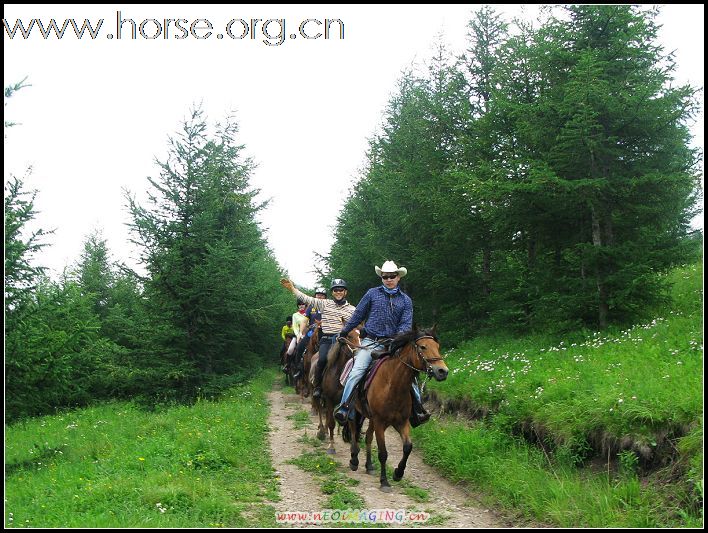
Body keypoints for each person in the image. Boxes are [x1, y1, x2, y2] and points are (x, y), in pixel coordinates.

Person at [335, 260, 430, 427]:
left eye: (392, 276)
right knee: (357, 371)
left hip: (394, 344)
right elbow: (358, 315)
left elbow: (406, 324)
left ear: (398, 277)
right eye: (385, 276)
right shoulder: (372, 294)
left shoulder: (406, 300)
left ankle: (418, 410)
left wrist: (397, 341)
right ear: (382, 277)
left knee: (410, 376)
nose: (389, 279)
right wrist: (344, 331)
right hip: (371, 342)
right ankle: (344, 408)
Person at [280, 278, 355, 400]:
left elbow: (357, 324)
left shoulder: (352, 309)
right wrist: (293, 289)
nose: (338, 292)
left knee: (354, 361)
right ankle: (318, 386)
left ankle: (355, 390)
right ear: (332, 292)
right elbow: (306, 299)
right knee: (322, 359)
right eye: (336, 290)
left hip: (343, 340)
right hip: (327, 338)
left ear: (345, 292)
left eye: (341, 289)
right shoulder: (324, 303)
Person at [292, 287, 326, 379]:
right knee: (300, 346)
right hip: (311, 331)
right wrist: (299, 334)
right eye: (318, 295)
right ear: (315, 296)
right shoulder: (310, 307)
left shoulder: (328, 307)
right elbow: (304, 321)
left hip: (326, 331)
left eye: (322, 295)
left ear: (325, 297)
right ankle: (298, 368)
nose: (320, 297)